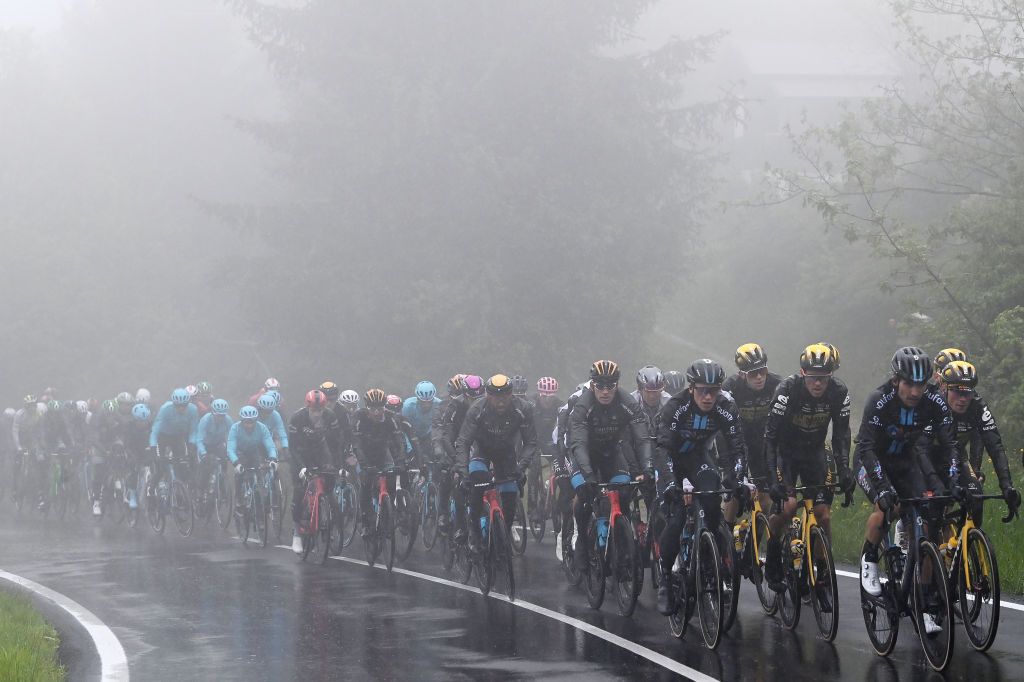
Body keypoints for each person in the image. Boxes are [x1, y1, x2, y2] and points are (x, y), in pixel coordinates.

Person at [853, 347, 958, 636]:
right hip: (871, 460)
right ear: (896, 380)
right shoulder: (879, 400)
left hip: (905, 462)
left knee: (927, 530)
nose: (915, 392)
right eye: (909, 384)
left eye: (921, 385)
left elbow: (950, 445)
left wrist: (954, 481)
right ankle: (870, 557)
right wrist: (883, 488)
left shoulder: (935, 401)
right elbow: (865, 446)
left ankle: (924, 603)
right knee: (889, 506)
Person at [654, 359, 747, 616]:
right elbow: (662, 450)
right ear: (692, 388)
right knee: (678, 514)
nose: (708, 397)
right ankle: (665, 578)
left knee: (710, 501)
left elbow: (737, 446)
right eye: (703, 390)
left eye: (714, 390)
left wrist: (738, 480)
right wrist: (671, 483)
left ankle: (710, 559)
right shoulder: (675, 406)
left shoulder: (725, 406)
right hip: (671, 458)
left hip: (698, 458)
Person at [763, 343, 853, 589]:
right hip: (786, 453)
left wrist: (844, 468)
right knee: (788, 506)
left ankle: (823, 565)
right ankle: (772, 555)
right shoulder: (787, 390)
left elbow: (841, 435)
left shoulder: (839, 391)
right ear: (803, 374)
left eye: (823, 379)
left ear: (830, 376)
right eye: (812, 378)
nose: (817, 384)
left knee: (823, 513)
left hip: (815, 451)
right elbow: (770, 438)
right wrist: (773, 478)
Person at [568, 361, 653, 565]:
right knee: (584, 493)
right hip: (584, 455)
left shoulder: (627, 401)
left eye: (610, 386)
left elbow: (641, 438)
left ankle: (620, 542)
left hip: (612, 454)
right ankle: (581, 538)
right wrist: (588, 475)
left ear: (617, 385)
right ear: (592, 385)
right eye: (600, 386)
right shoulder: (583, 406)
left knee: (623, 492)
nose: (605, 392)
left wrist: (647, 467)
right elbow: (578, 443)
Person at [928, 360, 1019, 525]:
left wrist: (1007, 486)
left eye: (967, 392)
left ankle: (970, 543)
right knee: (933, 510)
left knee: (976, 495)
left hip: (957, 458)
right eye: (957, 391)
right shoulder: (933, 404)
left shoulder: (978, 406)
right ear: (945, 388)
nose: (963, 398)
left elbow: (995, 446)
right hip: (927, 459)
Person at [454, 374, 537, 551]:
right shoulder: (477, 409)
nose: (500, 402)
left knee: (509, 496)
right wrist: (463, 472)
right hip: (481, 452)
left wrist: (521, 468)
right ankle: (474, 532)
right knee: (477, 482)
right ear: (488, 395)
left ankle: (503, 537)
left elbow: (531, 442)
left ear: (511, 394)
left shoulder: (523, 408)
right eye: (495, 397)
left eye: (504, 397)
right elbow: (463, 441)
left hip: (506, 454)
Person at [722, 343, 781, 514]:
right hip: (736, 440)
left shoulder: (777, 384)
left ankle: (755, 538)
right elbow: (723, 428)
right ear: (741, 374)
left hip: (761, 440)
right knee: (735, 491)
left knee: (765, 495)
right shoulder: (730, 387)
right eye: (753, 374)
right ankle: (727, 530)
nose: (759, 377)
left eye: (762, 371)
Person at [288, 389, 344, 553]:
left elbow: (335, 444)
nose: (317, 414)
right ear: (308, 408)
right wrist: (302, 467)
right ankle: (297, 533)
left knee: (329, 488)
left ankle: (328, 524)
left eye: (320, 410)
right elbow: (293, 447)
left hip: (320, 451)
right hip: (301, 453)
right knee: (299, 491)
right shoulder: (297, 418)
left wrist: (337, 466)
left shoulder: (330, 416)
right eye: (313, 411)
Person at [352, 389, 405, 537]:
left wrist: (401, 460)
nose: (377, 413)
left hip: (383, 453)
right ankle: (365, 520)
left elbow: (399, 440)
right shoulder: (358, 417)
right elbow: (356, 444)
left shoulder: (390, 418)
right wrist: (364, 465)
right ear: (367, 407)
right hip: (364, 454)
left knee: (392, 478)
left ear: (384, 407)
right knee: (366, 483)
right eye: (373, 409)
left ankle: (389, 513)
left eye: (380, 409)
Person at [148, 388, 200, 500]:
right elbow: (155, 431)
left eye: (184, 405)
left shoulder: (193, 410)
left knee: (181, 465)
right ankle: (150, 490)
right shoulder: (165, 409)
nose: (181, 408)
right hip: (162, 437)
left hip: (177, 438)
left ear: (188, 403)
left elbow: (193, 431)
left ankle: (179, 490)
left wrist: (191, 446)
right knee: (160, 468)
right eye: (178, 406)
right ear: (173, 403)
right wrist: (153, 450)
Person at [227, 405, 277, 516]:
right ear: (242, 421)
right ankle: (239, 500)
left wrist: (273, 458)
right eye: (246, 422)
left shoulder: (262, 427)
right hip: (240, 453)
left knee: (260, 474)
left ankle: (263, 501)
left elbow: (270, 445)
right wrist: (236, 463)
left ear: (256, 420)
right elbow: (230, 449)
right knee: (240, 474)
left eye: (252, 422)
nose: (249, 425)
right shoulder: (235, 428)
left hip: (255, 452)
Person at [196, 399, 233, 504]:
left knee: (222, 465)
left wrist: (232, 451)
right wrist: (203, 453)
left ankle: (222, 488)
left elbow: (232, 437)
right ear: (213, 413)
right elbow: (199, 439)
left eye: (223, 415)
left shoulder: (228, 420)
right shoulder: (205, 420)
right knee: (206, 468)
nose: (221, 418)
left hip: (218, 445)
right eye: (218, 415)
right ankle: (201, 490)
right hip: (205, 445)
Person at [401, 381, 442, 468]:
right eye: (423, 402)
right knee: (411, 456)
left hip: (428, 436)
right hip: (410, 435)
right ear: (418, 398)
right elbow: (403, 429)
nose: (426, 405)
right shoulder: (407, 406)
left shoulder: (439, 405)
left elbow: (440, 428)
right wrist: (410, 448)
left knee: (435, 457)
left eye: (429, 402)